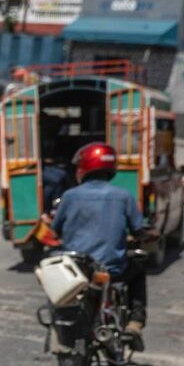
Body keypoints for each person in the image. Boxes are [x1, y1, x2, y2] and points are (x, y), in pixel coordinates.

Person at [51, 142, 155, 349]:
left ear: (83, 168)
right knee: (138, 272)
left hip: (75, 269)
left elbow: (56, 229)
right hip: (112, 269)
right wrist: (150, 234)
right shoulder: (123, 196)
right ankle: (135, 324)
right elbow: (138, 230)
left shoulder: (70, 196)